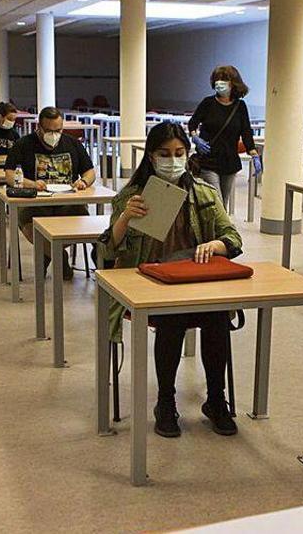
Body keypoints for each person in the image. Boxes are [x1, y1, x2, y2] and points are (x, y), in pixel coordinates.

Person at [99, 122, 243, 438]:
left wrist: (216, 245)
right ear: (150, 156)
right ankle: (166, 400)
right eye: (164, 154)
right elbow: (109, 247)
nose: (172, 160)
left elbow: (232, 237)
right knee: (172, 319)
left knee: (218, 318)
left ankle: (216, 399)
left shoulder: (204, 193)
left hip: (195, 282)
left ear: (187, 155)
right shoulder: (133, 196)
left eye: (179, 153)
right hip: (151, 284)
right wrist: (125, 218)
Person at [3, 107, 97, 280]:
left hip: (69, 204)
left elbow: (90, 171)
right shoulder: (24, 144)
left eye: (58, 130)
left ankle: (102, 268)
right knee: (37, 232)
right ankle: (59, 256)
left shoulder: (73, 144)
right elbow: (9, 175)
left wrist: (83, 182)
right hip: (34, 205)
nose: (54, 135)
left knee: (94, 229)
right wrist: (30, 183)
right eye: (48, 131)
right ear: (39, 127)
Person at [187, 65, 260, 205]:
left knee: (223, 203)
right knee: (217, 202)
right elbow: (192, 123)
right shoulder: (208, 103)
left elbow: (246, 132)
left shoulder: (240, 106)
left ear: (234, 83)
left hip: (230, 162)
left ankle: (216, 227)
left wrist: (255, 155)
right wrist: (196, 138)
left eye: (223, 79)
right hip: (208, 160)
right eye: (217, 79)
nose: (219, 83)